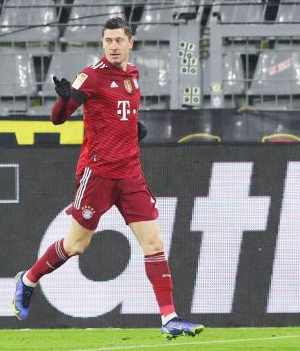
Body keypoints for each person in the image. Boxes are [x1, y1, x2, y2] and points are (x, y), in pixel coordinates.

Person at [13, 17, 204, 339]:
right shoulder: (92, 76)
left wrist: (132, 131)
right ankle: (28, 279)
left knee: (154, 243)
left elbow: (120, 115)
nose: (113, 46)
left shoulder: (133, 76)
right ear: (103, 43)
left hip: (130, 174)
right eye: (108, 41)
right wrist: (65, 98)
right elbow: (58, 119)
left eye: (119, 40)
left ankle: (169, 318)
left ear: (131, 42)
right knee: (77, 244)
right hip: (98, 173)